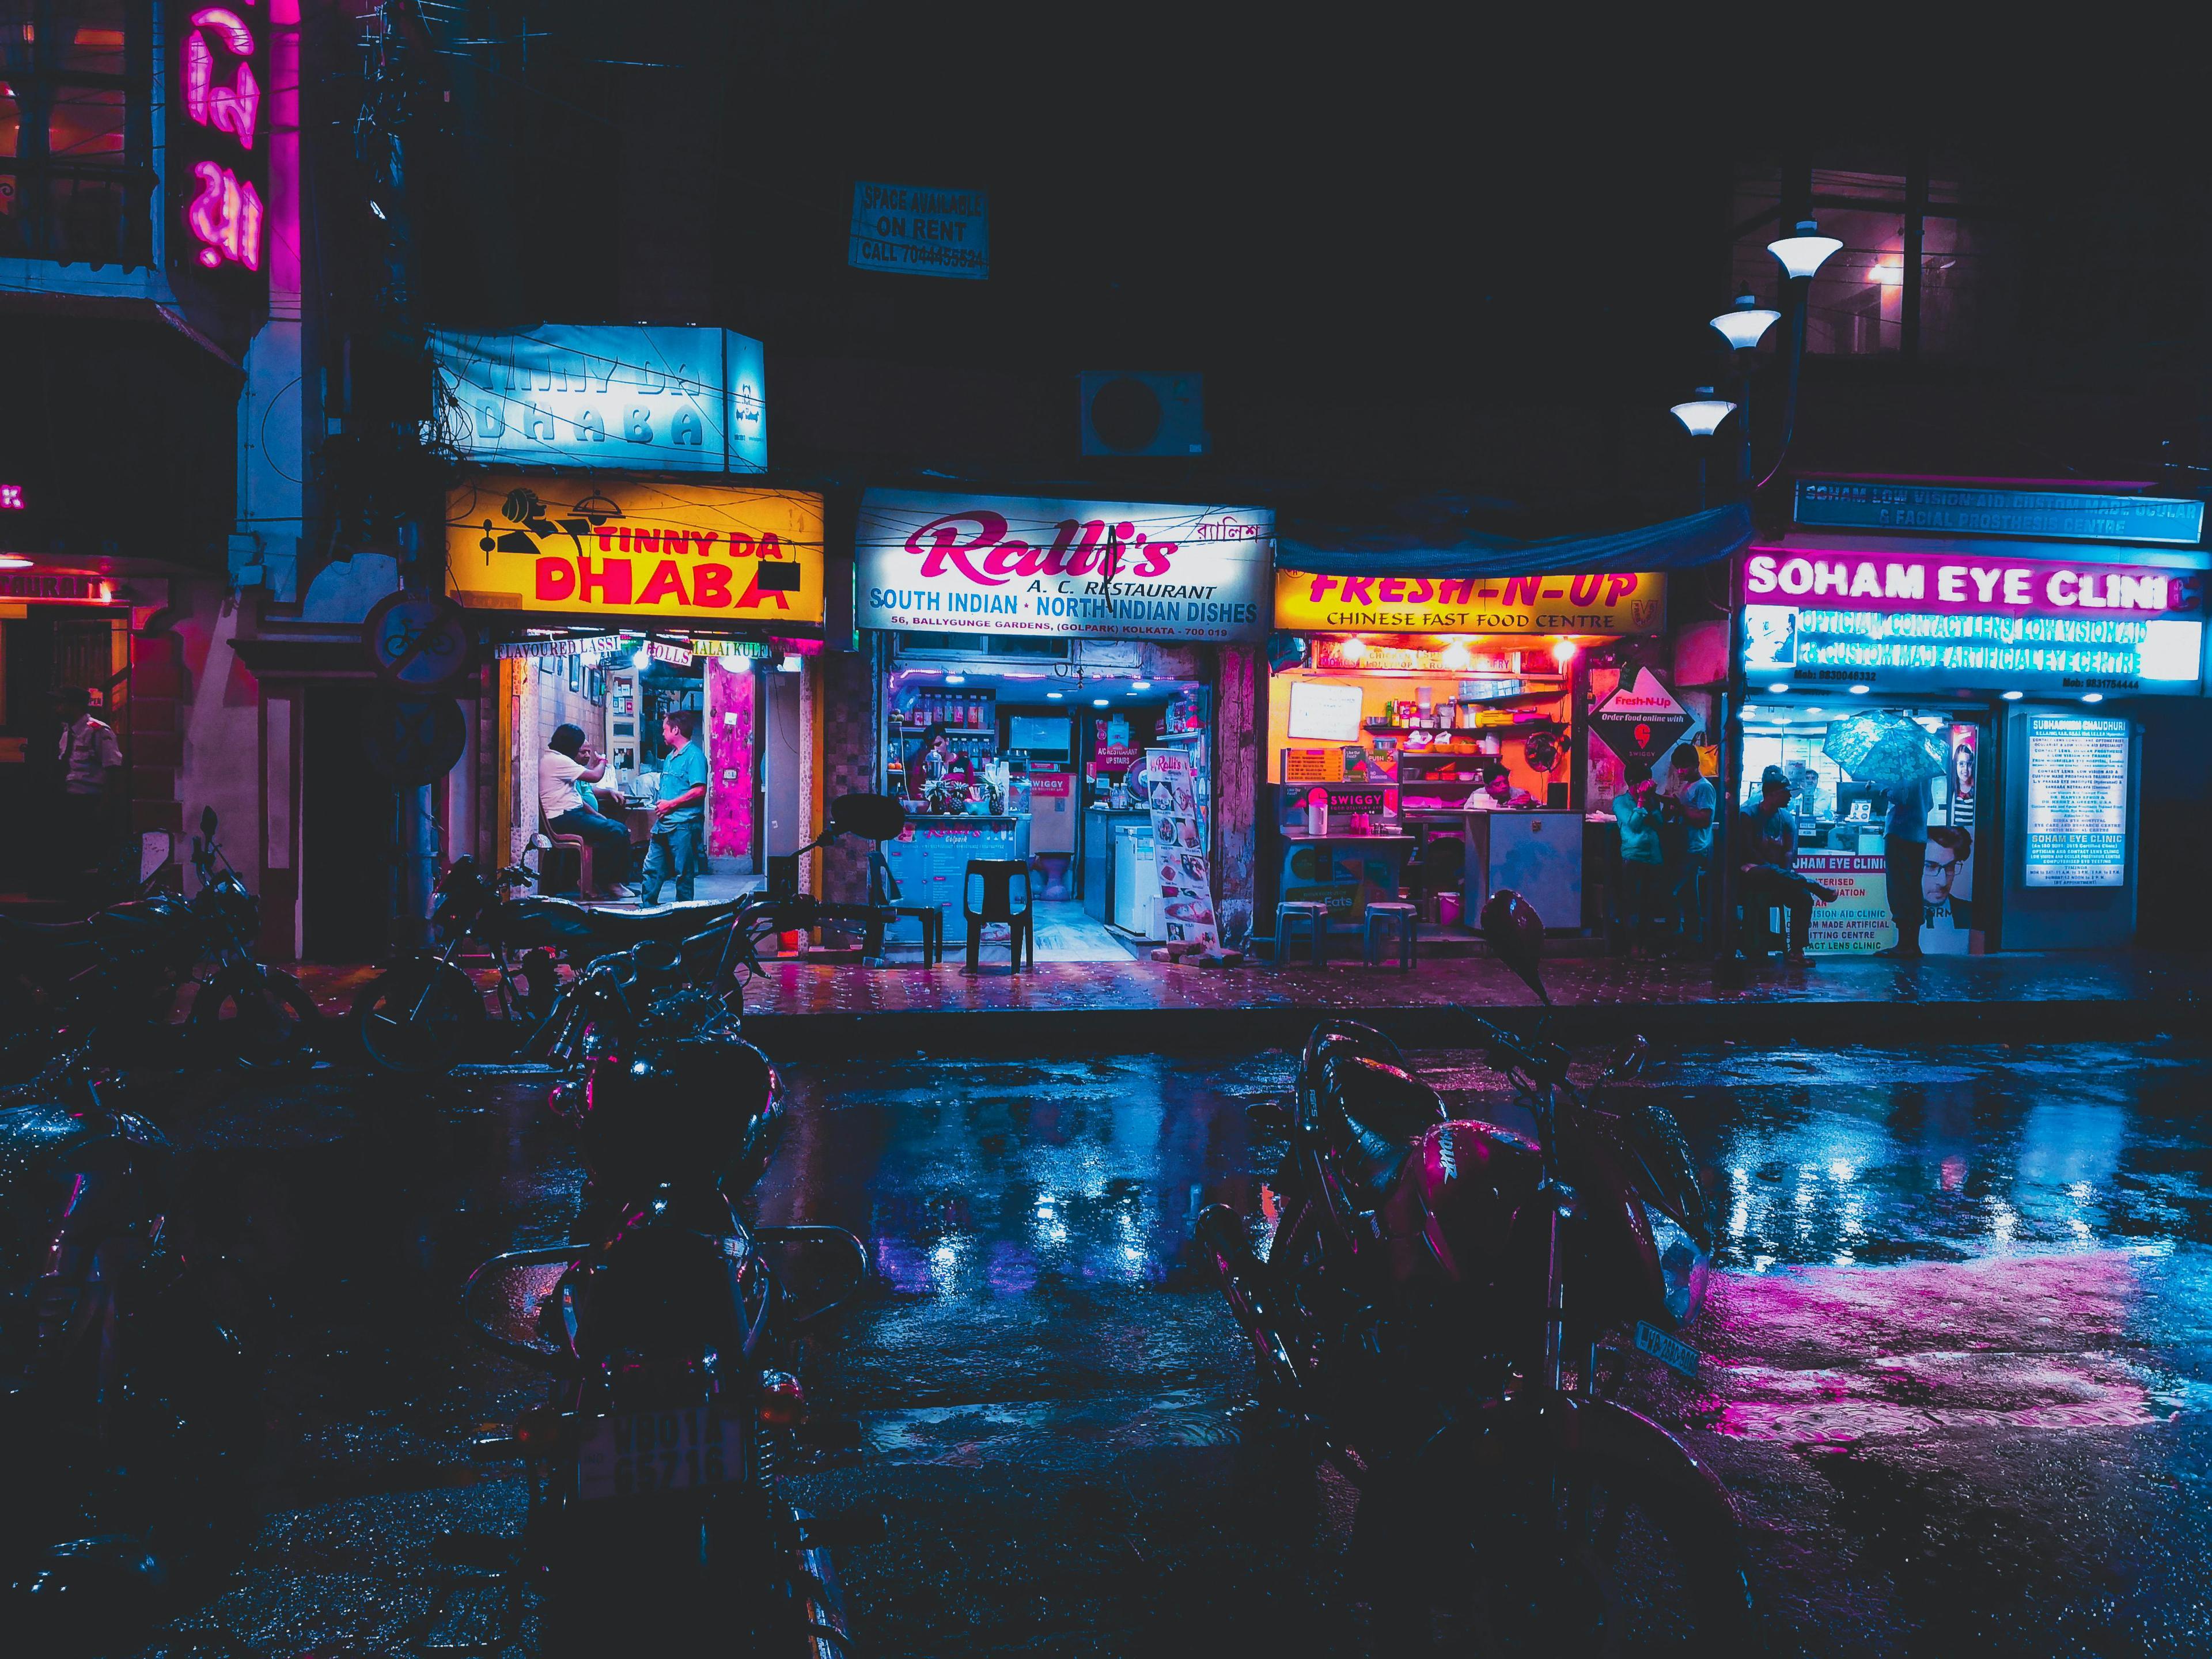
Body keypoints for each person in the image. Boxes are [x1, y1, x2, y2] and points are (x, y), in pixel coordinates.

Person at [1738, 764, 1836, 963]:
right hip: (1751, 877)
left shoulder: (1786, 818)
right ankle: (1810, 884)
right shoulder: (1748, 815)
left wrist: (1781, 872)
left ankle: (1797, 952)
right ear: (1773, 794)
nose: (1791, 797)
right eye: (1787, 793)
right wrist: (1772, 869)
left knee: (1803, 897)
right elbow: (1747, 851)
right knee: (1763, 872)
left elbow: (1790, 851)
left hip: (1778, 877)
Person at [540, 723, 631, 899]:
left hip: (570, 815)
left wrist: (597, 815)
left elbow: (577, 798)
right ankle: (610, 883)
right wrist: (603, 761)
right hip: (563, 818)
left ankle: (599, 881)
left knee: (617, 829)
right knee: (617, 832)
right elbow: (595, 776)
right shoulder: (558, 760)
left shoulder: (555, 759)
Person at [51, 686, 123, 886]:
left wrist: (105, 804)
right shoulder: (68, 733)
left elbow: (113, 770)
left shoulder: (98, 731)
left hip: (90, 799)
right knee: (72, 849)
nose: (57, 708)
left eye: (61, 703)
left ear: (74, 706)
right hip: (71, 798)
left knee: (89, 852)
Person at [639, 709, 709, 905]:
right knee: (652, 868)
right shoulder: (670, 758)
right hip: (663, 824)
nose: (662, 733)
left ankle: (683, 914)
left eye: (665, 729)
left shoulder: (694, 756)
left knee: (683, 874)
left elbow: (699, 790)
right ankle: (647, 909)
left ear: (676, 730)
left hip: (684, 825)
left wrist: (671, 805)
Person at [1610, 760, 1668, 956]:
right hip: (1633, 857)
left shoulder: (1652, 800)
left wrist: (1651, 803)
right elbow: (1634, 825)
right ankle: (1633, 945)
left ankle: (1647, 945)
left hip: (1654, 858)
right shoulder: (1620, 802)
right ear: (1632, 783)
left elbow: (1660, 823)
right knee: (1632, 904)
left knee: (1649, 905)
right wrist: (1641, 801)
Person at [1874, 772, 1933, 959]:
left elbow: (1900, 796)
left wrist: (1881, 788)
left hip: (1900, 833)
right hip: (1918, 834)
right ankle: (1913, 944)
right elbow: (1929, 803)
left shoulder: (1905, 768)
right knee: (1914, 888)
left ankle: (1903, 944)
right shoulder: (1924, 771)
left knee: (1898, 887)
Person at [1664, 744, 1717, 950]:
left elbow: (1704, 819)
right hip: (1684, 847)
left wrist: (1680, 807)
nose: (1680, 772)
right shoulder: (1686, 787)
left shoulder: (1704, 788)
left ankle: (1687, 936)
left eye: (1684, 768)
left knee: (1677, 891)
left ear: (1696, 765)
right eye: (1678, 768)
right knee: (1688, 893)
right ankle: (1692, 937)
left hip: (1696, 848)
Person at [1923, 825, 1972, 933]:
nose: (1943, 882)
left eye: (1950, 867)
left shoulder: (1971, 913)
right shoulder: (1891, 913)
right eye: (1931, 867)